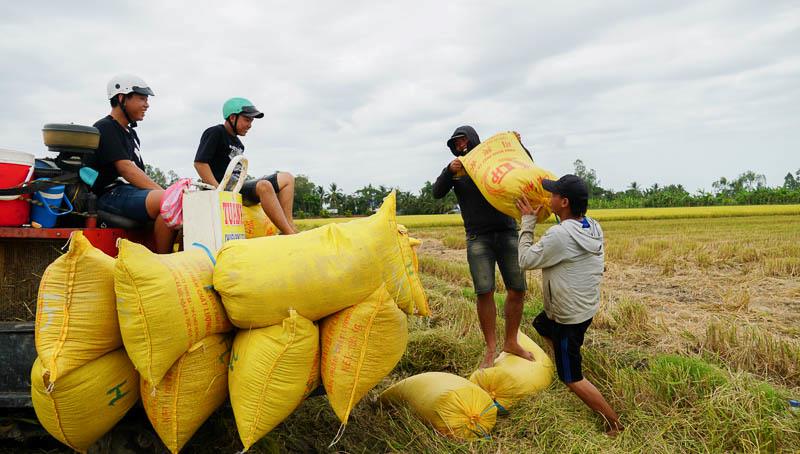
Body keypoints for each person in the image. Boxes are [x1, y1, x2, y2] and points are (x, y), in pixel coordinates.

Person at [516, 174, 623, 436]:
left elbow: (525, 260)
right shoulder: (591, 226)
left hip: (567, 317)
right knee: (541, 324)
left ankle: (614, 423)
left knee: (572, 377)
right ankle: (562, 363)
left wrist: (527, 222)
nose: (548, 197)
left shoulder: (560, 235)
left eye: (553, 195)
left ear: (564, 202)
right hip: (584, 307)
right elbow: (565, 234)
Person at [432, 125, 532, 368]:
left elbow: (525, 165)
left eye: (463, 140)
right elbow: (437, 192)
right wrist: (448, 171)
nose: (460, 145)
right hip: (478, 238)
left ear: (474, 139)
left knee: (517, 288)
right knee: (484, 291)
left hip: (507, 232)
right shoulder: (457, 170)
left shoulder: (494, 160)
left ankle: (511, 341)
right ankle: (490, 348)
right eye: (456, 143)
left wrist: (519, 145)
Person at [93, 74, 176, 254]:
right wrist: (167, 194)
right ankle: (163, 262)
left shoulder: (131, 133)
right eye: (142, 98)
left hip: (129, 192)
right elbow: (126, 169)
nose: (147, 104)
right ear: (121, 98)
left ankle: (172, 256)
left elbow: (137, 173)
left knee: (182, 202)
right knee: (171, 201)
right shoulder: (105, 127)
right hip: (110, 193)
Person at [193, 97, 297, 235]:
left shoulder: (239, 144)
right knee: (264, 186)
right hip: (222, 189)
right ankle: (289, 234)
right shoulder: (215, 132)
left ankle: (289, 226)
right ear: (232, 118)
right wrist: (219, 191)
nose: (250, 125)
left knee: (287, 178)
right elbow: (200, 163)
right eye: (247, 120)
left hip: (238, 187)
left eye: (251, 121)